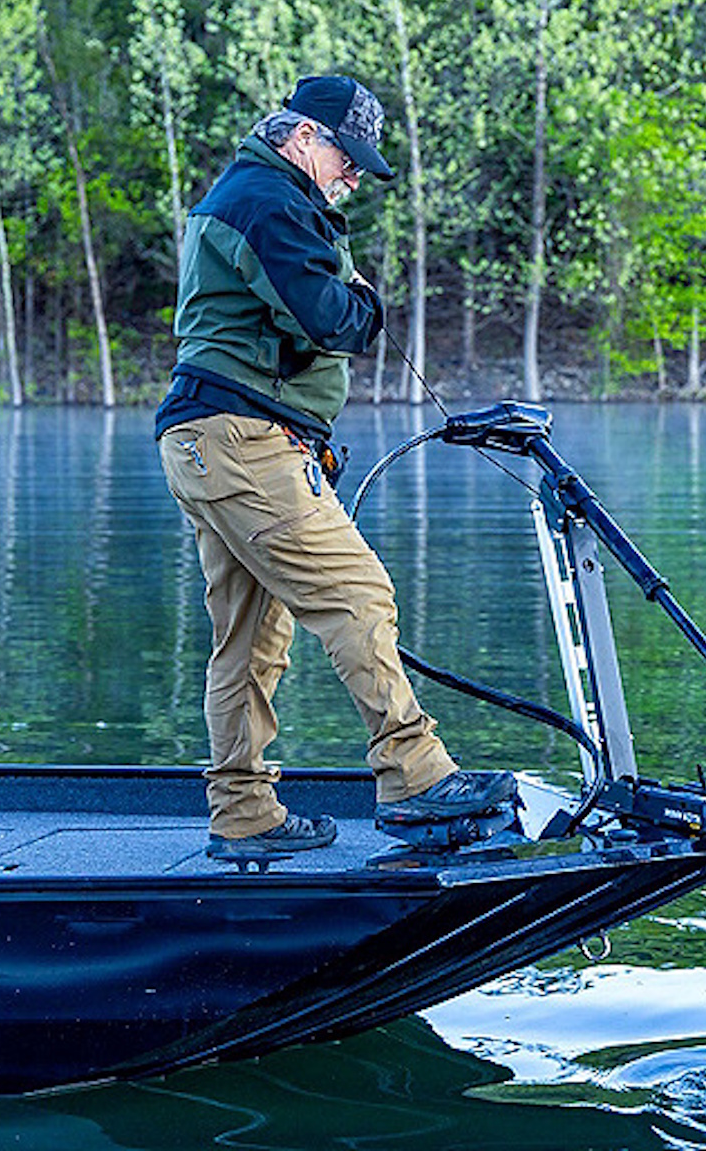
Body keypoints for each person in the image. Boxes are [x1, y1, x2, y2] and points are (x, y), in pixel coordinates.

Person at [155, 75, 514, 862]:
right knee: (359, 593)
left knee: (249, 640)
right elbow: (331, 320)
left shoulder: (250, 195)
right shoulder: (269, 202)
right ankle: (415, 777)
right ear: (300, 137)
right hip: (242, 439)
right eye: (345, 157)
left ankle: (243, 814)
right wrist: (366, 296)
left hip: (205, 440)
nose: (353, 175)